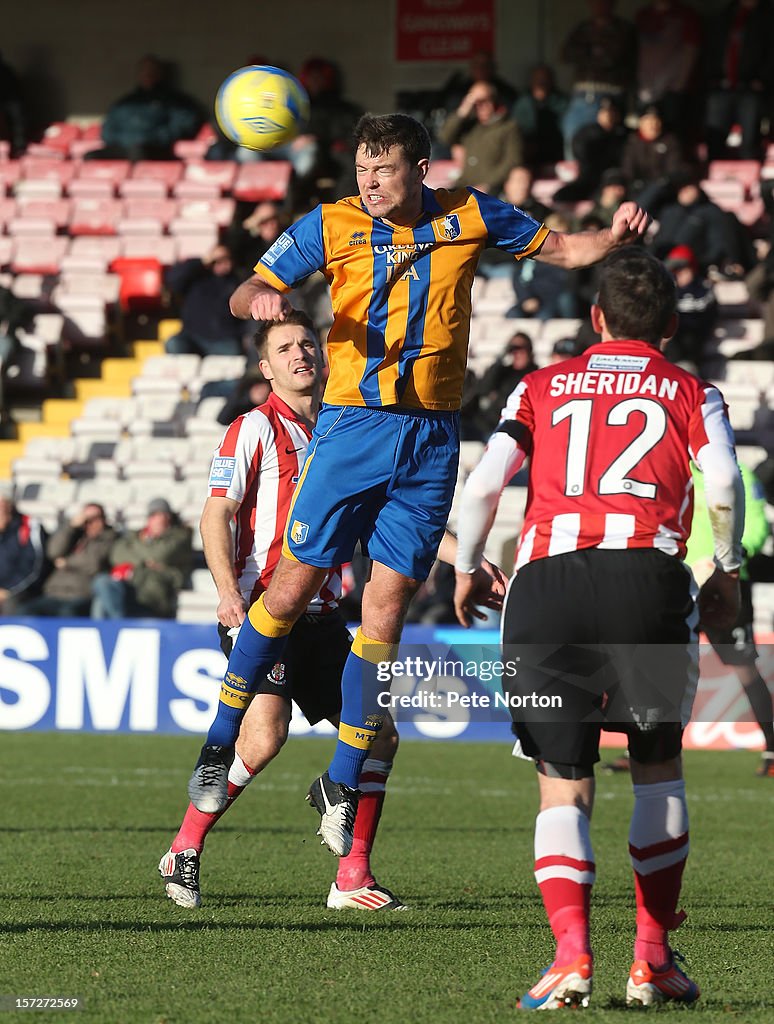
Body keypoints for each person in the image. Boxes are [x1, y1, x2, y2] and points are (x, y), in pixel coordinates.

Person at [186, 111, 650, 859]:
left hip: (432, 435)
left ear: (420, 169)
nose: (368, 183)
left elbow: (563, 248)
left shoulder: (470, 213)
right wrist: (261, 301)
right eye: (362, 170)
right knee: (290, 589)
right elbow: (248, 288)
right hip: (352, 426)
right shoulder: (331, 223)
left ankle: (341, 779)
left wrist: (615, 239)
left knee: (389, 609)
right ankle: (217, 742)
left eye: (383, 170)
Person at [453, 246, 744, 1008]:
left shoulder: (541, 386)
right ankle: (652, 960)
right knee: (656, 767)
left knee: (563, 784)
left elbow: (484, 483)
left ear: (594, 319)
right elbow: (722, 481)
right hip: (646, 579)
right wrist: (728, 569)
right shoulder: (690, 390)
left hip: (548, 584)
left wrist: (469, 564)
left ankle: (571, 958)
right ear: (672, 324)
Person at [162, 310, 503, 909]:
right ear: (265, 368)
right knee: (265, 735)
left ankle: (352, 878)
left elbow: (387, 525)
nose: (300, 355)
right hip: (263, 613)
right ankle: (184, 848)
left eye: (306, 345)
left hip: (321, 618)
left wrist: (463, 558)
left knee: (382, 735)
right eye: (284, 348)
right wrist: (226, 593)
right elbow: (216, 513)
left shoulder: (347, 432)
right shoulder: (251, 429)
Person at [687, 463, 774, 777]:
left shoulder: (738, 474)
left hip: (726, 584)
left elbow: (754, 523)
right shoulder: (674, 468)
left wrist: (733, 558)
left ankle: (772, 749)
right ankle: (640, 751)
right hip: (679, 582)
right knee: (661, 664)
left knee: (744, 668)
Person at [560, 0, 638, 157]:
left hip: (612, 97)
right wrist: (593, 52)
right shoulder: (584, 28)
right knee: (575, 150)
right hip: (583, 96)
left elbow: (612, 58)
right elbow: (565, 54)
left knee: (608, 152)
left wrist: (589, 52)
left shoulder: (623, 29)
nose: (599, 5)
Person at [92, 498, 192, 619]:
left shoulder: (180, 536)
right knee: (103, 584)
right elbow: (116, 555)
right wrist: (144, 562)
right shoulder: (135, 535)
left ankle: (118, 625)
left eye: (158, 515)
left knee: (103, 601)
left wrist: (136, 549)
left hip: (154, 594)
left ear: (168, 518)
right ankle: (117, 624)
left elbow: (159, 554)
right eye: (152, 515)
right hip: (132, 586)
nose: (153, 520)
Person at [11, 503, 116, 617]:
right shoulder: (74, 535)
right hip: (54, 594)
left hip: (81, 594)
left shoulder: (110, 538)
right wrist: (70, 527)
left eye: (95, 518)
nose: (89, 523)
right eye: (86, 518)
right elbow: (53, 552)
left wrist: (66, 562)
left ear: (103, 520)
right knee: (25, 611)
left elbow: (94, 563)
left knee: (67, 613)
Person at [702, 0, 774, 161]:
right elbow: (712, 49)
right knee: (715, 138)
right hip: (721, 86)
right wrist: (713, 76)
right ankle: (715, 180)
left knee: (749, 142)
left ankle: (751, 178)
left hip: (752, 88)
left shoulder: (767, 18)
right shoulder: (725, 16)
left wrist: (762, 79)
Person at [98, 54, 202, 161]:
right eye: (144, 71)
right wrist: (129, 140)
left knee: (138, 152)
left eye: (152, 71)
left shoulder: (175, 101)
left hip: (155, 149)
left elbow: (183, 125)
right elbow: (107, 132)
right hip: (123, 147)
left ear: (160, 73)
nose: (147, 74)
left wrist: (152, 138)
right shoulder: (125, 103)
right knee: (91, 156)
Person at [438, 81, 524, 195]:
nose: (480, 106)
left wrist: (488, 184)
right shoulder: (471, 126)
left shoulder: (509, 127)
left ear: (495, 101)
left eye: (484, 101)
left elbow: (513, 160)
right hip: (464, 185)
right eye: (475, 103)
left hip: (494, 189)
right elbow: (445, 137)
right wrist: (463, 111)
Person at [164, 245, 247, 358]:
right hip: (192, 336)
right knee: (174, 344)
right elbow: (173, 280)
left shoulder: (237, 281)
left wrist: (243, 335)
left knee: (234, 350)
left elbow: (244, 314)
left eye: (226, 258)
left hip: (222, 339)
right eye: (217, 260)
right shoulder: (196, 276)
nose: (222, 263)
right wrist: (202, 262)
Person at [634, 1, 701, 139]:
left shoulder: (685, 15)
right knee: (646, 136)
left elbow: (691, 50)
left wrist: (679, 84)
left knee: (672, 137)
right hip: (646, 90)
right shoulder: (643, 15)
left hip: (673, 90)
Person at [662, 245, 718, 371]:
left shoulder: (703, 288)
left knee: (688, 338)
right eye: (674, 270)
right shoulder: (668, 289)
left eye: (681, 269)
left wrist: (688, 286)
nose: (677, 274)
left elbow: (708, 312)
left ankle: (684, 370)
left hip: (695, 333)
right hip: (674, 335)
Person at [0, 485, 47, 614]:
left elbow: (34, 565)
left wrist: (8, 589)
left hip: (21, 590)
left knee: (12, 604)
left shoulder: (28, 525)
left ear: (9, 505)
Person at [511, 64, 568, 169]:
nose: (541, 83)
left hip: (556, 153)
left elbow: (565, 130)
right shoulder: (523, 103)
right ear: (531, 81)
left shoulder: (561, 101)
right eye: (538, 79)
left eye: (545, 79)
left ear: (552, 81)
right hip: (528, 154)